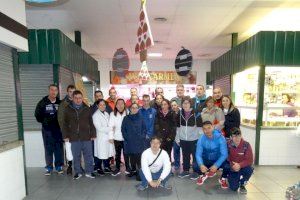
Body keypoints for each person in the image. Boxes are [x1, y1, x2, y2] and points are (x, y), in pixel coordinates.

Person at [62, 90, 96, 180]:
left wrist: (93, 133)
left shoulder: (87, 108)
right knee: (76, 156)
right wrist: (65, 136)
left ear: (82, 98)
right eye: (76, 98)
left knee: (88, 155)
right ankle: (78, 172)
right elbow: (64, 124)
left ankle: (89, 171)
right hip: (73, 137)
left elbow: (91, 122)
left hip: (86, 136)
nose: (78, 100)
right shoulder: (67, 109)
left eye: (80, 98)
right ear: (72, 98)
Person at [35, 84, 64, 175]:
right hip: (47, 130)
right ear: (49, 91)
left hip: (58, 130)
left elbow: (64, 116)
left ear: (57, 92)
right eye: (52, 90)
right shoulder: (42, 102)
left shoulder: (60, 103)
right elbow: (37, 115)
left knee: (58, 148)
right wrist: (45, 121)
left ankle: (59, 166)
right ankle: (49, 167)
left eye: (55, 90)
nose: (54, 92)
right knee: (48, 148)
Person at [176, 96, 202, 180]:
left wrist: (200, 140)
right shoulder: (179, 113)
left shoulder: (196, 113)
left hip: (194, 139)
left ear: (190, 103)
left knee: (195, 156)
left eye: (187, 103)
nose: (185, 105)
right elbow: (178, 127)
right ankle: (185, 170)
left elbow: (200, 129)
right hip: (183, 139)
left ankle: (196, 172)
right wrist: (177, 138)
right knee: (185, 155)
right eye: (184, 103)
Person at [195, 121, 228, 188]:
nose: (207, 130)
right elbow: (198, 154)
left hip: (217, 160)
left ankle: (223, 179)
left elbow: (224, 154)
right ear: (203, 130)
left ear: (213, 127)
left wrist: (216, 165)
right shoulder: (201, 139)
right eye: (205, 129)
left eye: (209, 128)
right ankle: (202, 175)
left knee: (228, 166)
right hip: (207, 159)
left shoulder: (221, 138)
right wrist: (201, 165)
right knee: (195, 165)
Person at [222, 128, 254, 194]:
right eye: (234, 136)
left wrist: (239, 165)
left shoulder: (246, 145)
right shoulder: (227, 144)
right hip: (232, 167)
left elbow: (249, 160)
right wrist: (232, 166)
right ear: (231, 137)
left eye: (239, 136)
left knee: (249, 169)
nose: (237, 138)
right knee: (234, 188)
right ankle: (230, 177)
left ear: (241, 136)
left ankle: (242, 183)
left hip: (243, 166)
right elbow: (226, 158)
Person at [122, 103, 147, 179]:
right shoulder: (126, 118)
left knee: (139, 158)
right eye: (133, 108)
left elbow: (144, 129)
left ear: (138, 109)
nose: (134, 109)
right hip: (130, 142)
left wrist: (142, 137)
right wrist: (127, 138)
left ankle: (140, 173)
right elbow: (123, 130)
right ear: (130, 109)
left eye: (136, 108)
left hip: (139, 142)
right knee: (132, 157)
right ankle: (133, 171)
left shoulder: (141, 118)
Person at [92, 99, 115, 176]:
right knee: (100, 153)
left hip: (107, 137)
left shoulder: (107, 114)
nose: (102, 106)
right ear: (97, 106)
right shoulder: (95, 115)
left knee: (107, 153)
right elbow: (99, 128)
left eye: (104, 105)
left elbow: (110, 124)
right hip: (100, 138)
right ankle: (98, 168)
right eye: (100, 105)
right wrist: (111, 129)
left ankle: (106, 167)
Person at [57, 84, 76, 175]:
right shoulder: (63, 104)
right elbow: (60, 119)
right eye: (70, 92)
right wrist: (64, 132)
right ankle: (70, 165)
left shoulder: (79, 101)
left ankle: (78, 165)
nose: (72, 94)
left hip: (78, 131)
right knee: (68, 149)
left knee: (77, 148)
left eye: (73, 92)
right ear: (67, 92)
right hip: (68, 131)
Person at [109, 98, 130, 176]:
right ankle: (117, 169)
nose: (120, 105)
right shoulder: (112, 114)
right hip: (116, 137)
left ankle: (128, 168)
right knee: (117, 155)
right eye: (118, 104)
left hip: (126, 138)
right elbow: (110, 126)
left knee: (126, 153)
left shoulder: (128, 112)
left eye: (122, 103)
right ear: (116, 105)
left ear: (124, 105)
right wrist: (111, 137)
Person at [170, 100, 181, 171]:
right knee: (175, 150)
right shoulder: (171, 114)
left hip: (183, 134)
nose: (173, 107)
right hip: (174, 135)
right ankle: (177, 164)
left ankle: (187, 163)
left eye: (175, 105)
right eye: (172, 105)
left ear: (178, 105)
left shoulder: (182, 112)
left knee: (185, 151)